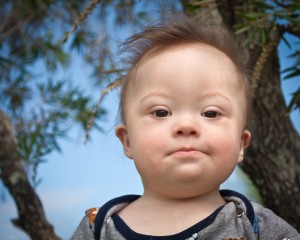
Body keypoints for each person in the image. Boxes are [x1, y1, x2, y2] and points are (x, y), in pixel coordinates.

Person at [72, 16, 300, 240]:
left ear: (241, 144)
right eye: (161, 112)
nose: (186, 126)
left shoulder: (258, 226)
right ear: (128, 140)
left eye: (211, 113)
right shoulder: (99, 228)